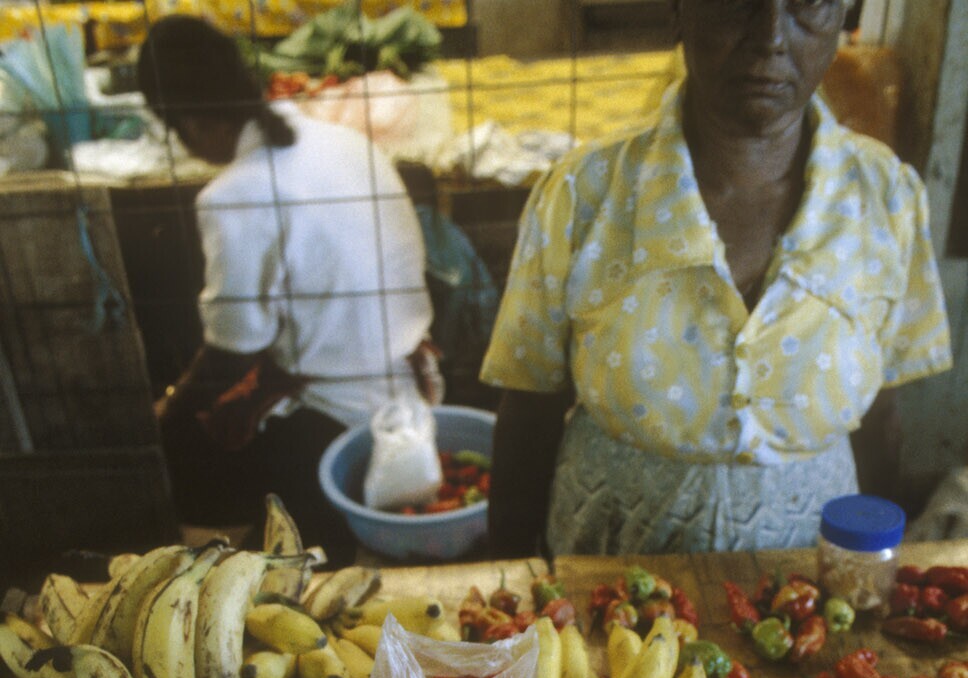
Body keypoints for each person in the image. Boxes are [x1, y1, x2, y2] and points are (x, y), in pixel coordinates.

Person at [481, 0, 953, 558]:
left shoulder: (887, 196)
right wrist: (510, 571)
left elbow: (880, 418)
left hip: (812, 569)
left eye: (807, 4)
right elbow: (529, 412)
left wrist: (870, 569)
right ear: (679, 11)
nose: (770, 37)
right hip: (607, 558)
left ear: (841, 17)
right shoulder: (583, 193)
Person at [136, 16, 440, 559]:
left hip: (335, 422)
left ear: (191, 123)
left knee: (180, 438)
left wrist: (167, 411)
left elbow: (234, 348)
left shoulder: (233, 195)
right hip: (413, 384)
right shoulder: (346, 142)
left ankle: (262, 545)